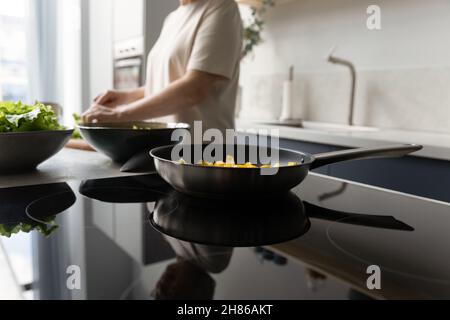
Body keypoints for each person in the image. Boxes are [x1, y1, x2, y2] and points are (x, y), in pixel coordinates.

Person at [82, 0, 243, 134]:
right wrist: (125, 97)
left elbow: (195, 87)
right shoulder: (173, 18)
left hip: (204, 151)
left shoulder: (221, 8)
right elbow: (166, 83)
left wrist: (120, 114)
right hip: (165, 150)